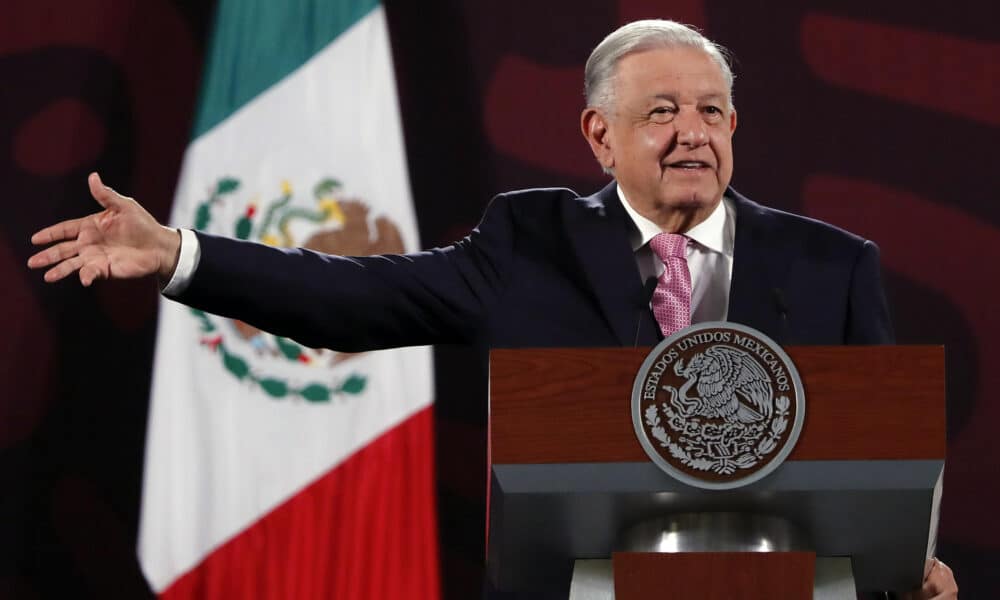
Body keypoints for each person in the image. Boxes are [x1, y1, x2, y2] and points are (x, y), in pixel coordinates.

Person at [28, 18, 956, 600]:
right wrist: (181, 254)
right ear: (600, 135)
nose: (693, 134)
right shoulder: (531, 243)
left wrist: (908, 563)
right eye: (662, 111)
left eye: (713, 112)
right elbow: (356, 298)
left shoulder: (833, 264)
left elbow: (877, 451)